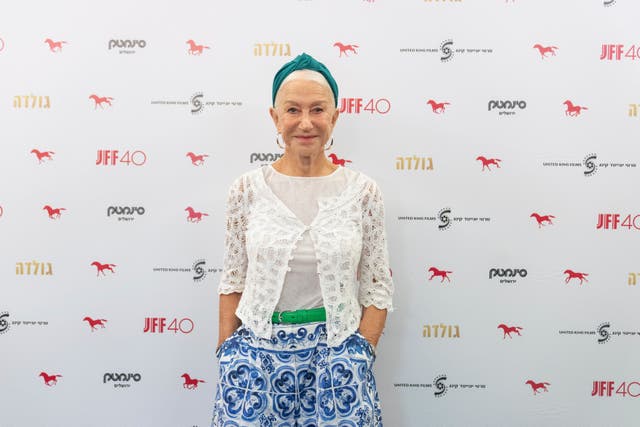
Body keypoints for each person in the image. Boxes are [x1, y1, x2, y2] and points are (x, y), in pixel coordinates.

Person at [212, 53, 394, 427]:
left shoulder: (363, 192)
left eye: (318, 110)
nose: (305, 122)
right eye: (292, 110)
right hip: (255, 363)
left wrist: (360, 353)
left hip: (339, 360)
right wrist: (228, 352)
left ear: (334, 117)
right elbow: (233, 279)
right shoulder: (246, 190)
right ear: (275, 118)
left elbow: (377, 285)